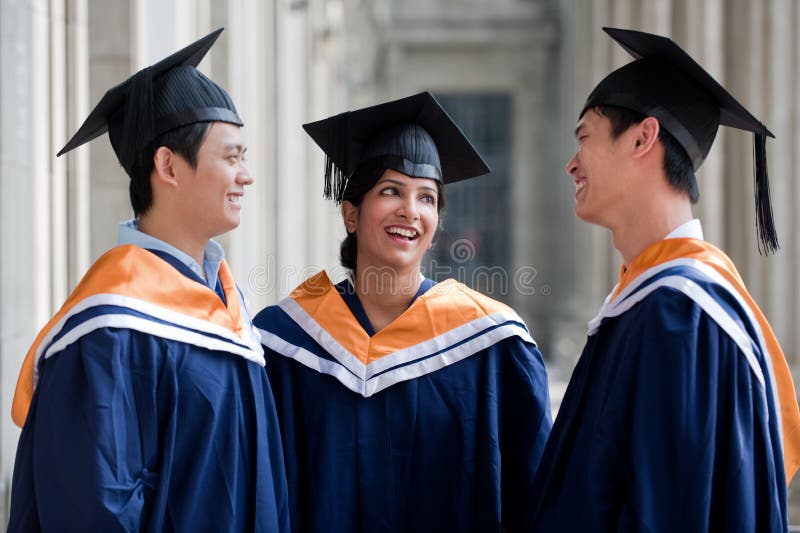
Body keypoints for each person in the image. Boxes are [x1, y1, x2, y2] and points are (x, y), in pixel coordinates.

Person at [8, 29, 288, 532]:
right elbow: (94, 509)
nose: (246, 175)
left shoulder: (228, 309)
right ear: (168, 166)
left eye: (244, 157)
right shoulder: (108, 327)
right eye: (232, 157)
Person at [529, 27, 800, 532]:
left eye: (584, 137)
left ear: (642, 138)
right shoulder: (653, 304)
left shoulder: (682, 315)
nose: (571, 164)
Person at [253, 91, 552, 532]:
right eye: (391, 191)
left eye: (427, 198)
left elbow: (534, 497)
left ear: (435, 225)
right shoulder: (284, 343)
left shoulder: (492, 346)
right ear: (351, 214)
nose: (410, 211)